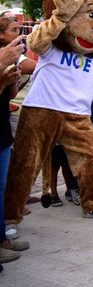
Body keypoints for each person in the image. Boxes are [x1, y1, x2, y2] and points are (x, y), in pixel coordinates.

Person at [0, 41, 25, 264]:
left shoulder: (8, 58)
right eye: (13, 30)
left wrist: (11, 80)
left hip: (2, 127)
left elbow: (9, 94)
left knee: (2, 185)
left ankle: (2, 238)